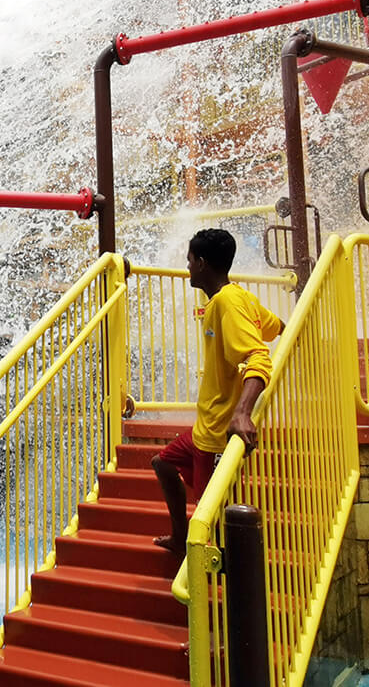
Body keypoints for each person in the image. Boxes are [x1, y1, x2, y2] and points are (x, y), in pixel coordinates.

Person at [152, 229, 283, 556]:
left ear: (203, 264)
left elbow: (257, 355)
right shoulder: (238, 297)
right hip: (204, 427)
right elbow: (275, 326)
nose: (187, 268)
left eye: (190, 261)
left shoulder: (227, 303)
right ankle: (180, 539)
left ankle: (219, 585)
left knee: (210, 515)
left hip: (216, 435)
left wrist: (242, 412)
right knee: (162, 463)